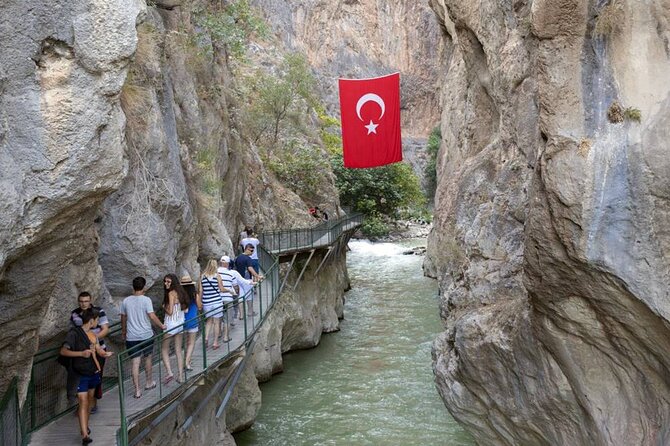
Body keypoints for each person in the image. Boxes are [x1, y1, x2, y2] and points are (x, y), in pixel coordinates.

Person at [60, 308, 113, 445]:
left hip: (93, 372)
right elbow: (63, 351)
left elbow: (99, 351)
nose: (97, 323)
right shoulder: (74, 334)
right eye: (96, 320)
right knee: (83, 402)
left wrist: (105, 354)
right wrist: (81, 354)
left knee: (89, 401)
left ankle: (85, 426)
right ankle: (84, 434)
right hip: (80, 374)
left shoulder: (93, 335)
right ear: (91, 320)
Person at [120, 276, 165, 399]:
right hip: (146, 335)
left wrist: (123, 332)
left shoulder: (126, 301)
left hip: (132, 336)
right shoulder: (146, 300)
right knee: (148, 358)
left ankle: (137, 391)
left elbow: (123, 318)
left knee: (135, 363)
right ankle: (149, 382)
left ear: (133, 287)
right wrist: (162, 326)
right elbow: (151, 316)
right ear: (144, 287)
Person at [70, 292, 109, 413]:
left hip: (98, 349)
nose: (83, 304)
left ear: (90, 301)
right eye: (81, 301)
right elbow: (73, 331)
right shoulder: (75, 314)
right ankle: (83, 405)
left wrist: (93, 339)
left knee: (96, 377)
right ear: (78, 301)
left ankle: (93, 404)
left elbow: (105, 329)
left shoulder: (98, 311)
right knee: (81, 378)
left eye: (86, 301)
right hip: (82, 351)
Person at [198, 259, 234, 350]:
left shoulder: (202, 277)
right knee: (217, 322)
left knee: (209, 322)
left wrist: (200, 302)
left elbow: (200, 291)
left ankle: (206, 338)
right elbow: (221, 289)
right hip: (217, 302)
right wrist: (229, 290)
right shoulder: (217, 276)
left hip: (207, 302)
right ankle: (215, 343)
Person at [161, 274, 189, 384]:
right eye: (165, 281)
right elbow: (185, 310)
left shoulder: (171, 293)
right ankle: (181, 376)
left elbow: (170, 311)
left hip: (170, 324)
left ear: (173, 283)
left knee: (164, 349)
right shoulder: (181, 293)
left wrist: (164, 307)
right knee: (178, 350)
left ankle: (169, 372)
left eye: (168, 282)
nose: (166, 283)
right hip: (180, 324)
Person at [218, 255, 254, 334]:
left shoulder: (215, 272)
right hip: (228, 296)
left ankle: (219, 333)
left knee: (219, 315)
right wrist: (236, 292)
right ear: (228, 264)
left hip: (218, 298)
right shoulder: (231, 273)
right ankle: (226, 336)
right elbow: (239, 283)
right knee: (228, 316)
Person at [235, 244, 264, 318]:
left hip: (239, 279)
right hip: (247, 279)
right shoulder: (248, 259)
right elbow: (250, 269)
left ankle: (241, 315)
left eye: (253, 250)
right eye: (251, 250)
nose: (252, 252)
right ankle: (250, 312)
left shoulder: (238, 257)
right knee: (249, 296)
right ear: (247, 249)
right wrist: (257, 276)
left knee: (241, 297)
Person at [180, 274, 201, 371]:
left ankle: (187, 360)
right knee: (191, 343)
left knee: (184, 342)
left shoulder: (179, 295)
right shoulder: (194, 294)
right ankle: (187, 363)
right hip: (192, 320)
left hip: (181, 321)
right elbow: (200, 306)